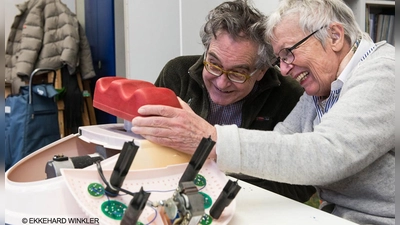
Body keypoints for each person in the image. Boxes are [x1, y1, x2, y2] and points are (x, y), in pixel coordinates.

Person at [132, 0, 395, 224]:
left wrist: (211, 140)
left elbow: (326, 154)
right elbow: (283, 141)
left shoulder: (385, 71)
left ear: (335, 36)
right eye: (280, 58)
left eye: (289, 53)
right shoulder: (320, 89)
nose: (282, 69)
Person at [130, 0, 316, 202]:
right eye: (214, 64)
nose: (221, 82)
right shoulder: (177, 74)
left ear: (262, 70)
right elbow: (144, 143)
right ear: (206, 50)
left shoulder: (289, 96)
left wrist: (222, 182)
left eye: (238, 73)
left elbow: (303, 185)